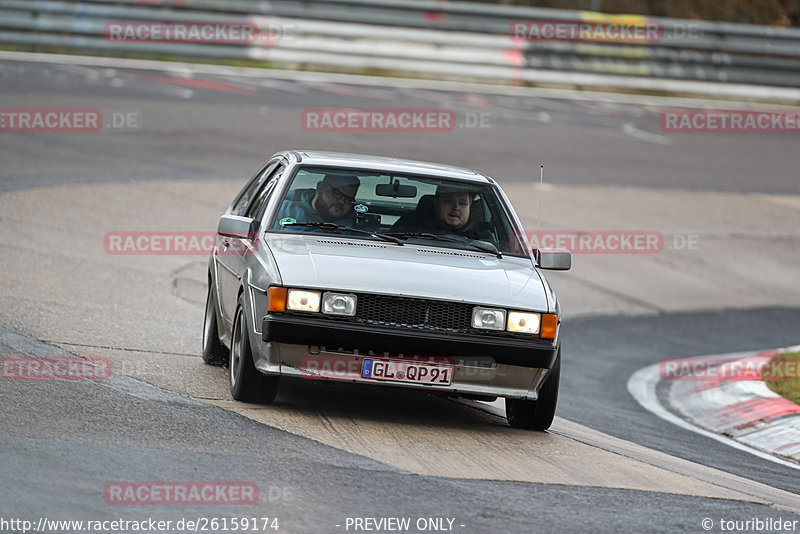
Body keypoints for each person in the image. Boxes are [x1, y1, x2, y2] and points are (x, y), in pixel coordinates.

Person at [275, 173, 360, 227]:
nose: (341, 202)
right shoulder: (283, 210)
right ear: (320, 188)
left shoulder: (358, 225)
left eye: (348, 199)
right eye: (337, 194)